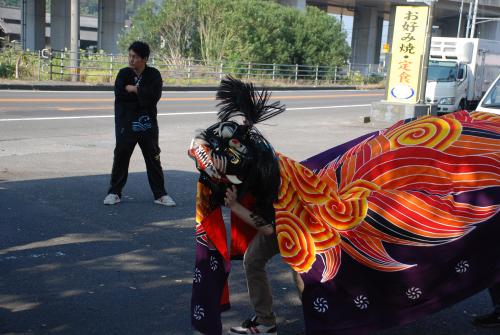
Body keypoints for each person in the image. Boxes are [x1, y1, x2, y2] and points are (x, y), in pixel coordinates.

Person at [103, 41, 175, 207]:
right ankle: (114, 192)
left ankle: (160, 194)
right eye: (130, 56)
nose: (131, 60)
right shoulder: (123, 74)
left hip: (147, 124)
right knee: (121, 157)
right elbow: (120, 95)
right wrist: (142, 96)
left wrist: (135, 90)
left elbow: (154, 96)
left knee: (153, 159)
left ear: (145, 58)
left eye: (135, 57)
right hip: (126, 123)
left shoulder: (154, 75)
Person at [223, 184, 278, 335]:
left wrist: (234, 205)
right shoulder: (237, 172)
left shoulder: (263, 171)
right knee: (252, 260)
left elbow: (267, 227)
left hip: (296, 215)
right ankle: (265, 322)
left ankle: (318, 319)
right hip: (273, 213)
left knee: (303, 267)